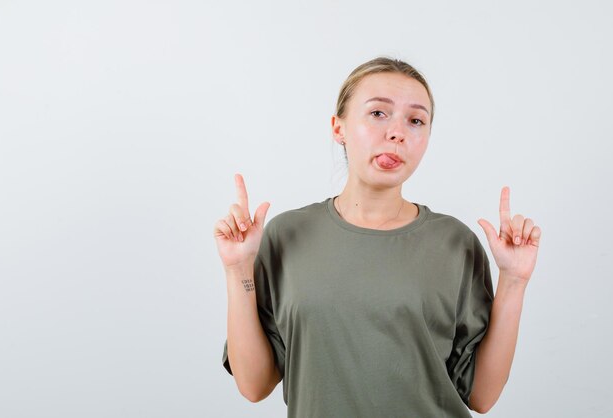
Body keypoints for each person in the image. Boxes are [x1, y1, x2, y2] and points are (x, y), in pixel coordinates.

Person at [213, 56, 542, 417]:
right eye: (378, 113)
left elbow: (481, 395)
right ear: (338, 128)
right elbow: (254, 384)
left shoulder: (455, 244)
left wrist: (514, 280)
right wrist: (238, 268)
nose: (398, 132)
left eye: (415, 120)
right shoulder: (286, 235)